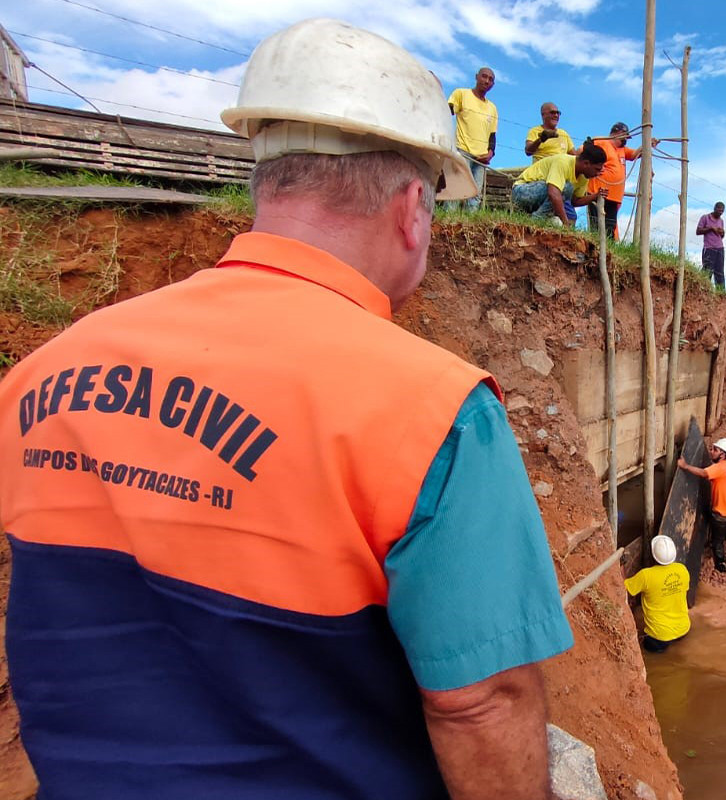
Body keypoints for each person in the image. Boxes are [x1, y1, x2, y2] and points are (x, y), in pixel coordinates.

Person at [0, 19, 572, 800]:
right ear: (412, 209)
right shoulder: (434, 411)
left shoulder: (41, 374)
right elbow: (480, 701)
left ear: (267, 182)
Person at [675, 437, 726, 573]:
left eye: (715, 450)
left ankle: (720, 566)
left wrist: (685, 466)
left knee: (716, 542)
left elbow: (704, 473)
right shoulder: (725, 467)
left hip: (723, 513)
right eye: (712, 449)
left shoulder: (720, 468)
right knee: (717, 526)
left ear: (722, 455)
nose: (711, 451)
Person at [624, 535, 691, 653]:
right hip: (683, 629)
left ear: (653, 555)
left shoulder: (646, 575)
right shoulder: (682, 570)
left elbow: (624, 588)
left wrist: (621, 569)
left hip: (659, 636)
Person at [512, 144, 606, 226]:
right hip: (521, 192)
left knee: (567, 194)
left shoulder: (584, 177)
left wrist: (595, 196)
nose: (598, 173)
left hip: (539, 199)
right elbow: (553, 193)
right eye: (597, 169)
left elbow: (575, 201)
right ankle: (537, 220)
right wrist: (565, 222)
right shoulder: (563, 161)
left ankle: (541, 218)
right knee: (566, 187)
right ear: (586, 164)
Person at [447, 65, 497, 211]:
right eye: (484, 76)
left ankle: (470, 227)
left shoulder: (492, 108)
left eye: (491, 79)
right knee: (456, 189)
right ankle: (449, 222)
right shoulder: (461, 94)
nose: (487, 81)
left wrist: (491, 153)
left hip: (481, 158)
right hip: (462, 151)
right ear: (476, 77)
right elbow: (447, 111)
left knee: (475, 195)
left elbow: (492, 135)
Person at [587, 122, 644, 239]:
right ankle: (596, 250)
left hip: (614, 196)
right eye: (625, 136)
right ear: (617, 133)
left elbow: (634, 155)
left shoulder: (622, 150)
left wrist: (648, 144)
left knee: (610, 226)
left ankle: (608, 251)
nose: (626, 140)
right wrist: (595, 165)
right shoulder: (601, 142)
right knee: (597, 224)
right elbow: (584, 151)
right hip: (598, 191)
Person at [696, 201, 726, 289]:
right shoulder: (705, 218)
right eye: (719, 210)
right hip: (709, 248)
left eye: (722, 211)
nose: (720, 213)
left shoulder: (721, 221)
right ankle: (704, 289)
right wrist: (711, 228)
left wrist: (722, 232)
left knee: (719, 272)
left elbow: (721, 236)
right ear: (714, 208)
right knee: (707, 270)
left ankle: (721, 292)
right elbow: (698, 231)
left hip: (720, 248)